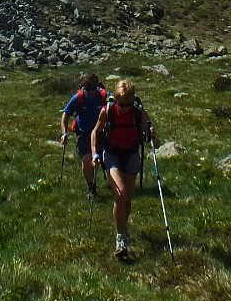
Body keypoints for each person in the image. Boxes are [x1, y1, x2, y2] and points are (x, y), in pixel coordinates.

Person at [91, 79, 158, 257]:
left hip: (131, 154)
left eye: (128, 104)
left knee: (127, 197)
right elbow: (95, 132)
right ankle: (120, 239)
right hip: (112, 153)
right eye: (121, 103)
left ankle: (123, 227)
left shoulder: (138, 111)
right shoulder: (108, 110)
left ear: (133, 100)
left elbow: (149, 128)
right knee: (120, 193)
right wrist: (95, 154)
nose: (125, 107)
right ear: (117, 100)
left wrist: (152, 135)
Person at [59, 73, 107, 199]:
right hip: (83, 133)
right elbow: (65, 115)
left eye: (93, 89)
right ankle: (91, 186)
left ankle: (101, 181)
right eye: (87, 89)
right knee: (86, 159)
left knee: (100, 159)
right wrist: (64, 133)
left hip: (101, 133)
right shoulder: (78, 98)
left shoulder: (104, 96)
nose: (90, 92)